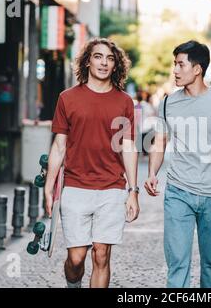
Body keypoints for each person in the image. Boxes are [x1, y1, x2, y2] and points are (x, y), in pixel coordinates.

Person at [144, 40, 211, 288]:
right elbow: (159, 142)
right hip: (178, 192)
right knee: (177, 263)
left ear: (197, 69)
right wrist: (152, 172)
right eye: (175, 64)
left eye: (180, 64)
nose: (175, 70)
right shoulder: (168, 103)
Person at [46, 38, 140, 288]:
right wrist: (49, 188)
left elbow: (128, 147)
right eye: (98, 57)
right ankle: (73, 283)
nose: (104, 63)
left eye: (110, 58)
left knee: (101, 253)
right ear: (88, 61)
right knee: (76, 259)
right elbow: (59, 145)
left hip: (111, 188)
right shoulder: (67, 98)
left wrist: (133, 191)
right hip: (76, 187)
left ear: (115, 65)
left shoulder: (124, 102)